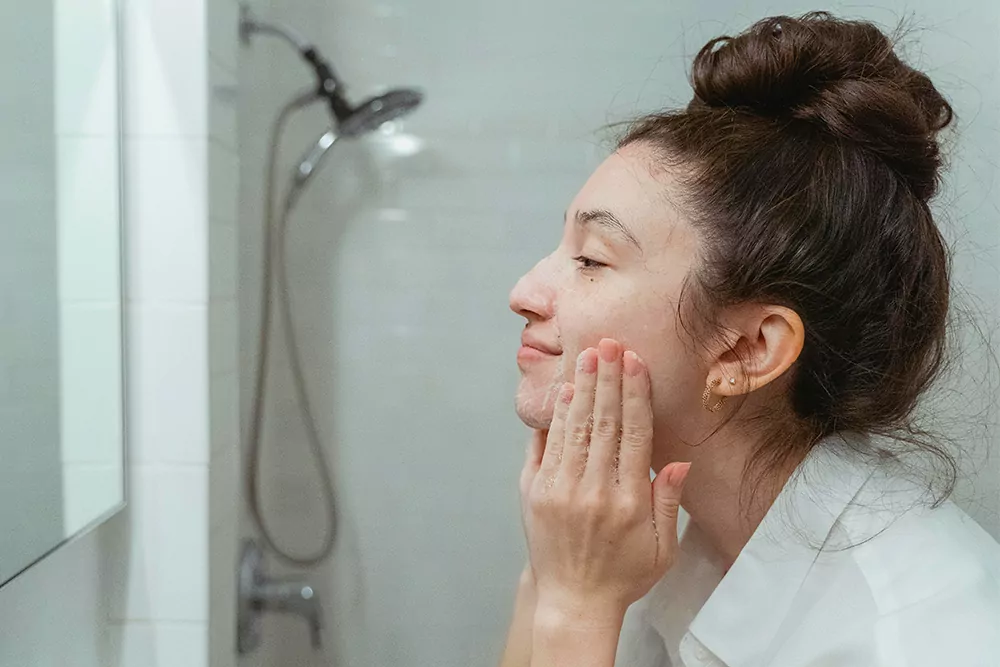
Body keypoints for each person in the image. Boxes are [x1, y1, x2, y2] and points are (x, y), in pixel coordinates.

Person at [502, 11, 1000, 667]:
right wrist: (550, 576)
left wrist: (576, 607)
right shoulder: (685, 541)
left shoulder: (920, 642)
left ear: (748, 349)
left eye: (591, 259)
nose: (524, 291)